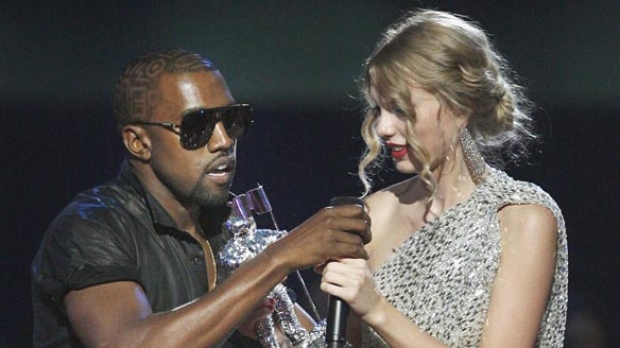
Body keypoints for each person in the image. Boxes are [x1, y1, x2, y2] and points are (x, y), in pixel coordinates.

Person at [31, 48, 371, 348]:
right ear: (138, 142)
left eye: (232, 120)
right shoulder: (92, 227)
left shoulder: (227, 225)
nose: (223, 140)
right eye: (197, 126)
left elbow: (307, 338)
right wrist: (277, 259)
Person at [319, 9, 568, 347]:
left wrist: (376, 308)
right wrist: (274, 322)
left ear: (460, 108)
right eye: (378, 110)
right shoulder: (376, 213)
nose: (383, 128)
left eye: (401, 110)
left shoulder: (522, 217)